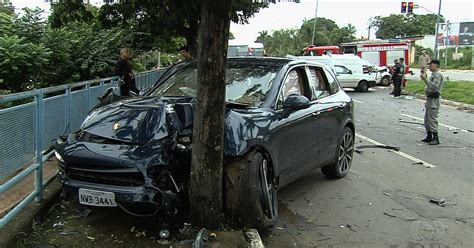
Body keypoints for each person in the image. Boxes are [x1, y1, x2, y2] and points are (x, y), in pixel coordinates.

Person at [420, 59, 444, 145]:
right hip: (430, 99)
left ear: (436, 65)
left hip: (434, 99)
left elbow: (434, 86)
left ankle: (436, 138)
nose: (430, 66)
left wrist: (425, 80)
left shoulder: (438, 75)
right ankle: (429, 135)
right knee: (427, 119)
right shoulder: (433, 74)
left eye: (431, 65)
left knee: (432, 119)